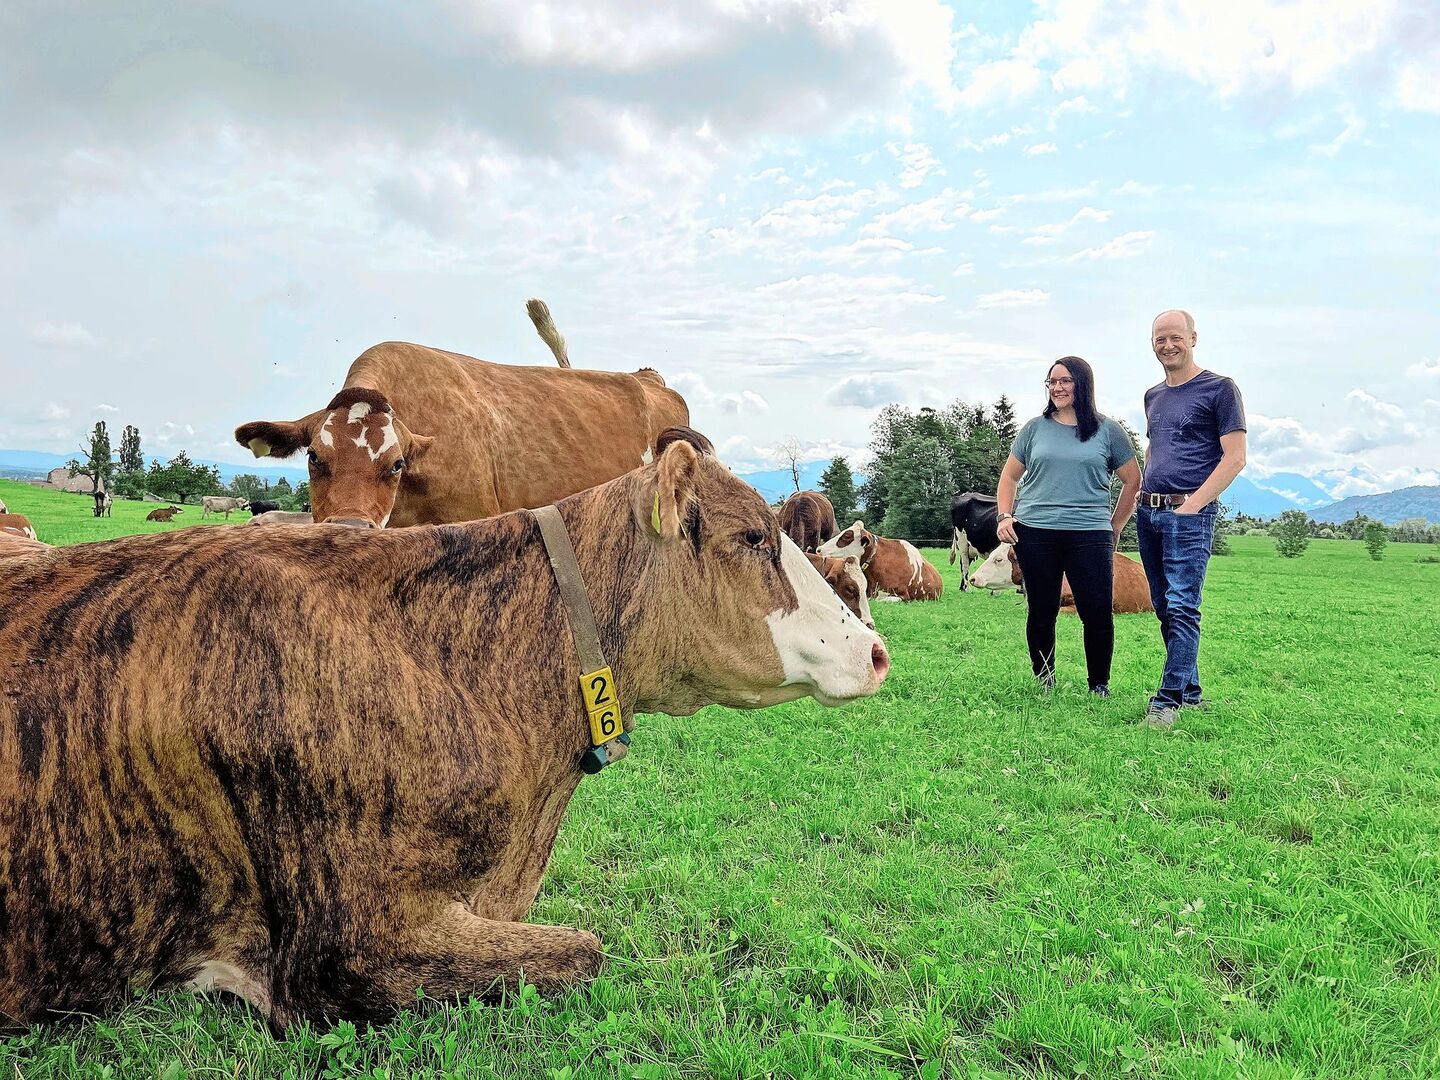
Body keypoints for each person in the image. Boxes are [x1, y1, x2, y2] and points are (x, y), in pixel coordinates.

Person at [996, 356, 1141, 696]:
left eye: (1065, 381)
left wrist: (1115, 526)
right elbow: (1009, 477)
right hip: (1035, 532)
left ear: (1082, 384)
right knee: (1042, 610)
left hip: (1090, 534)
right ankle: (1044, 679)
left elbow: (1133, 480)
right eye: (1052, 382)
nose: (1057, 388)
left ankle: (1098, 685)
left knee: (1097, 612)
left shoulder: (1108, 431)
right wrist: (1004, 516)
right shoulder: (1034, 429)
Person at [1137, 310, 1247, 728]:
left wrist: (1192, 506)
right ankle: (1191, 693)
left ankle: (1166, 702)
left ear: (1193, 338)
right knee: (1164, 605)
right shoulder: (1153, 396)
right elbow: (1155, 448)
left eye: (1175, 337)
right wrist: (1144, 492)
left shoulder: (1220, 389)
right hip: (1150, 511)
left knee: (1183, 606)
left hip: (1188, 514)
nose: (1167, 346)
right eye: (1160, 339)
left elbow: (1234, 458)